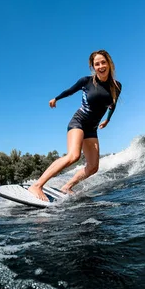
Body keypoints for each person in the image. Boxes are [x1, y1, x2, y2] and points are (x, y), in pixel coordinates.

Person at [28, 50, 122, 201]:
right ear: (93, 67)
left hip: (92, 128)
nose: (101, 66)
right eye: (97, 64)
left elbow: (113, 105)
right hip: (79, 122)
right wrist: (56, 98)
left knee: (93, 167)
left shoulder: (117, 86)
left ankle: (66, 186)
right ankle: (37, 186)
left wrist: (108, 120)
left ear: (109, 63)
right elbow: (70, 91)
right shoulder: (86, 81)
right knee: (74, 156)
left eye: (103, 62)